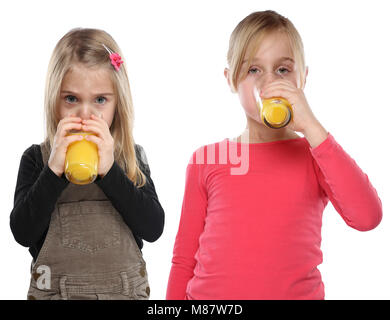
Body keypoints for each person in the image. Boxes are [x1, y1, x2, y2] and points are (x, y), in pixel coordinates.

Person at [166, 10, 382, 300]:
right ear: (231, 80)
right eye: (253, 70)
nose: (269, 84)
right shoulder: (207, 159)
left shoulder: (317, 155)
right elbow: (183, 260)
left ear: (302, 78)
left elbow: (367, 217)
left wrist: (312, 127)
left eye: (282, 70)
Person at [10, 28, 165, 300]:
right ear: (54, 101)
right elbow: (23, 233)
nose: (85, 114)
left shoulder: (131, 157)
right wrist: (54, 171)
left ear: (118, 104)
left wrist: (110, 171)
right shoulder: (36, 159)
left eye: (100, 100)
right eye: (71, 99)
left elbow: (153, 228)